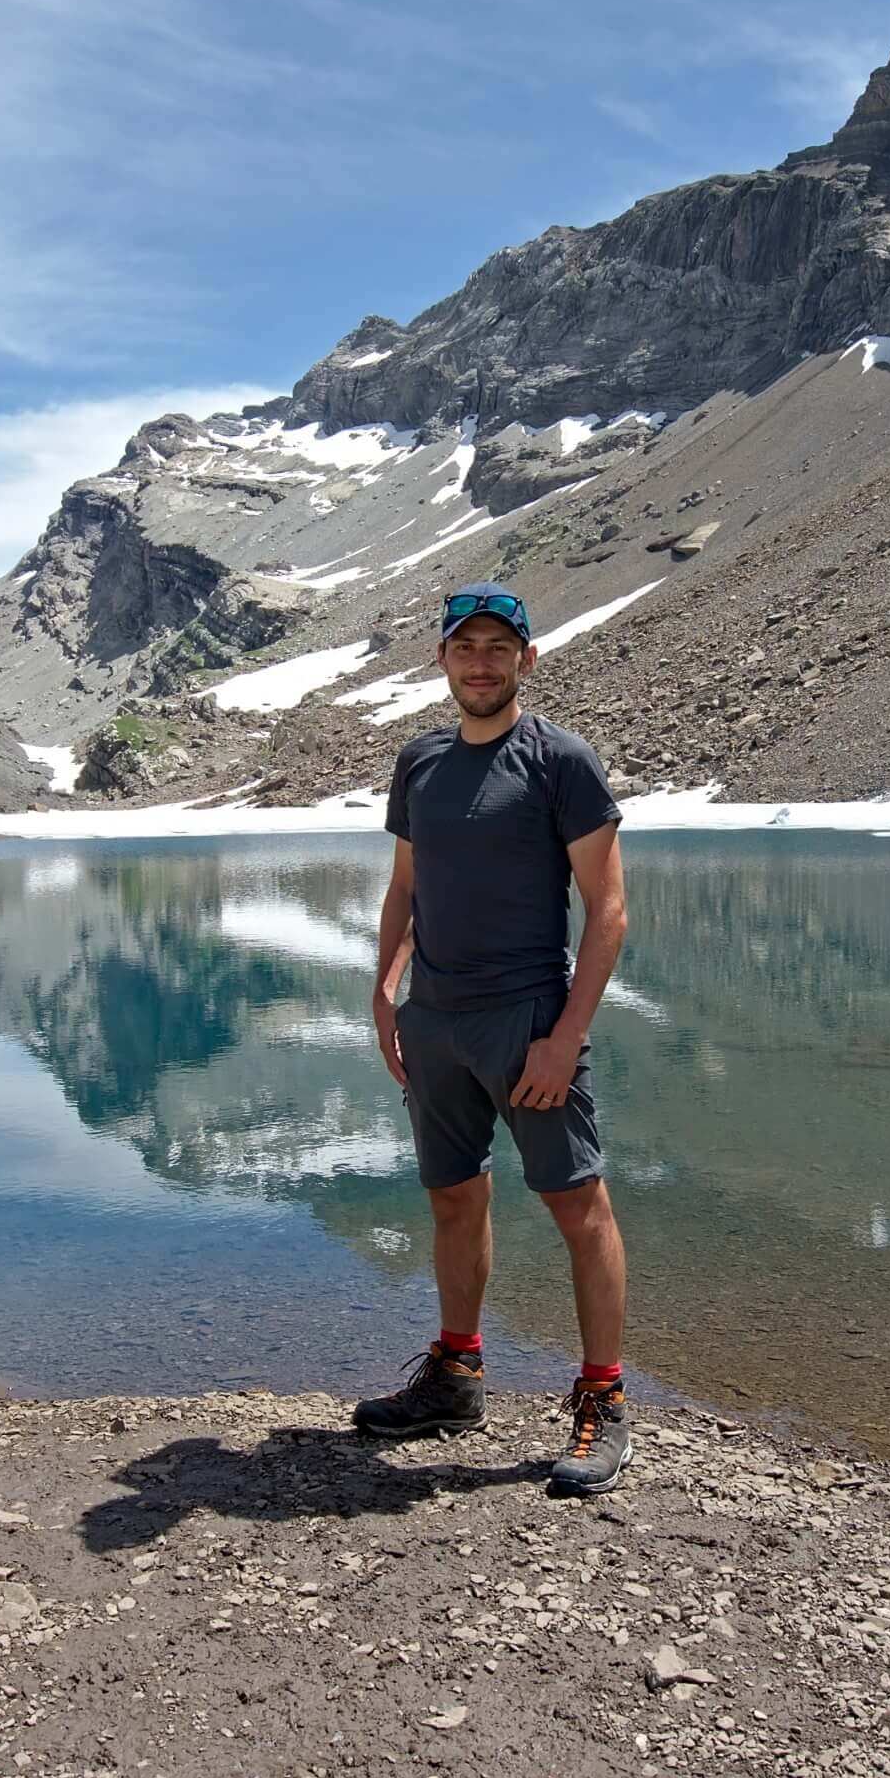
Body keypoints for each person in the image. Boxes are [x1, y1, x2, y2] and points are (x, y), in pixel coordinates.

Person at [352, 580, 634, 1495]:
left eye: (498, 649)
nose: (481, 663)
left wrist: (563, 1037)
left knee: (576, 1204)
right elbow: (406, 885)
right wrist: (387, 985)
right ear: (441, 662)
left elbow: (609, 912)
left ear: (526, 659)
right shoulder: (421, 763)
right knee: (451, 1198)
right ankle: (458, 1377)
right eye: (465, 648)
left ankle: (603, 1399)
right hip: (434, 1020)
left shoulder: (561, 761)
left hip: (526, 1020)